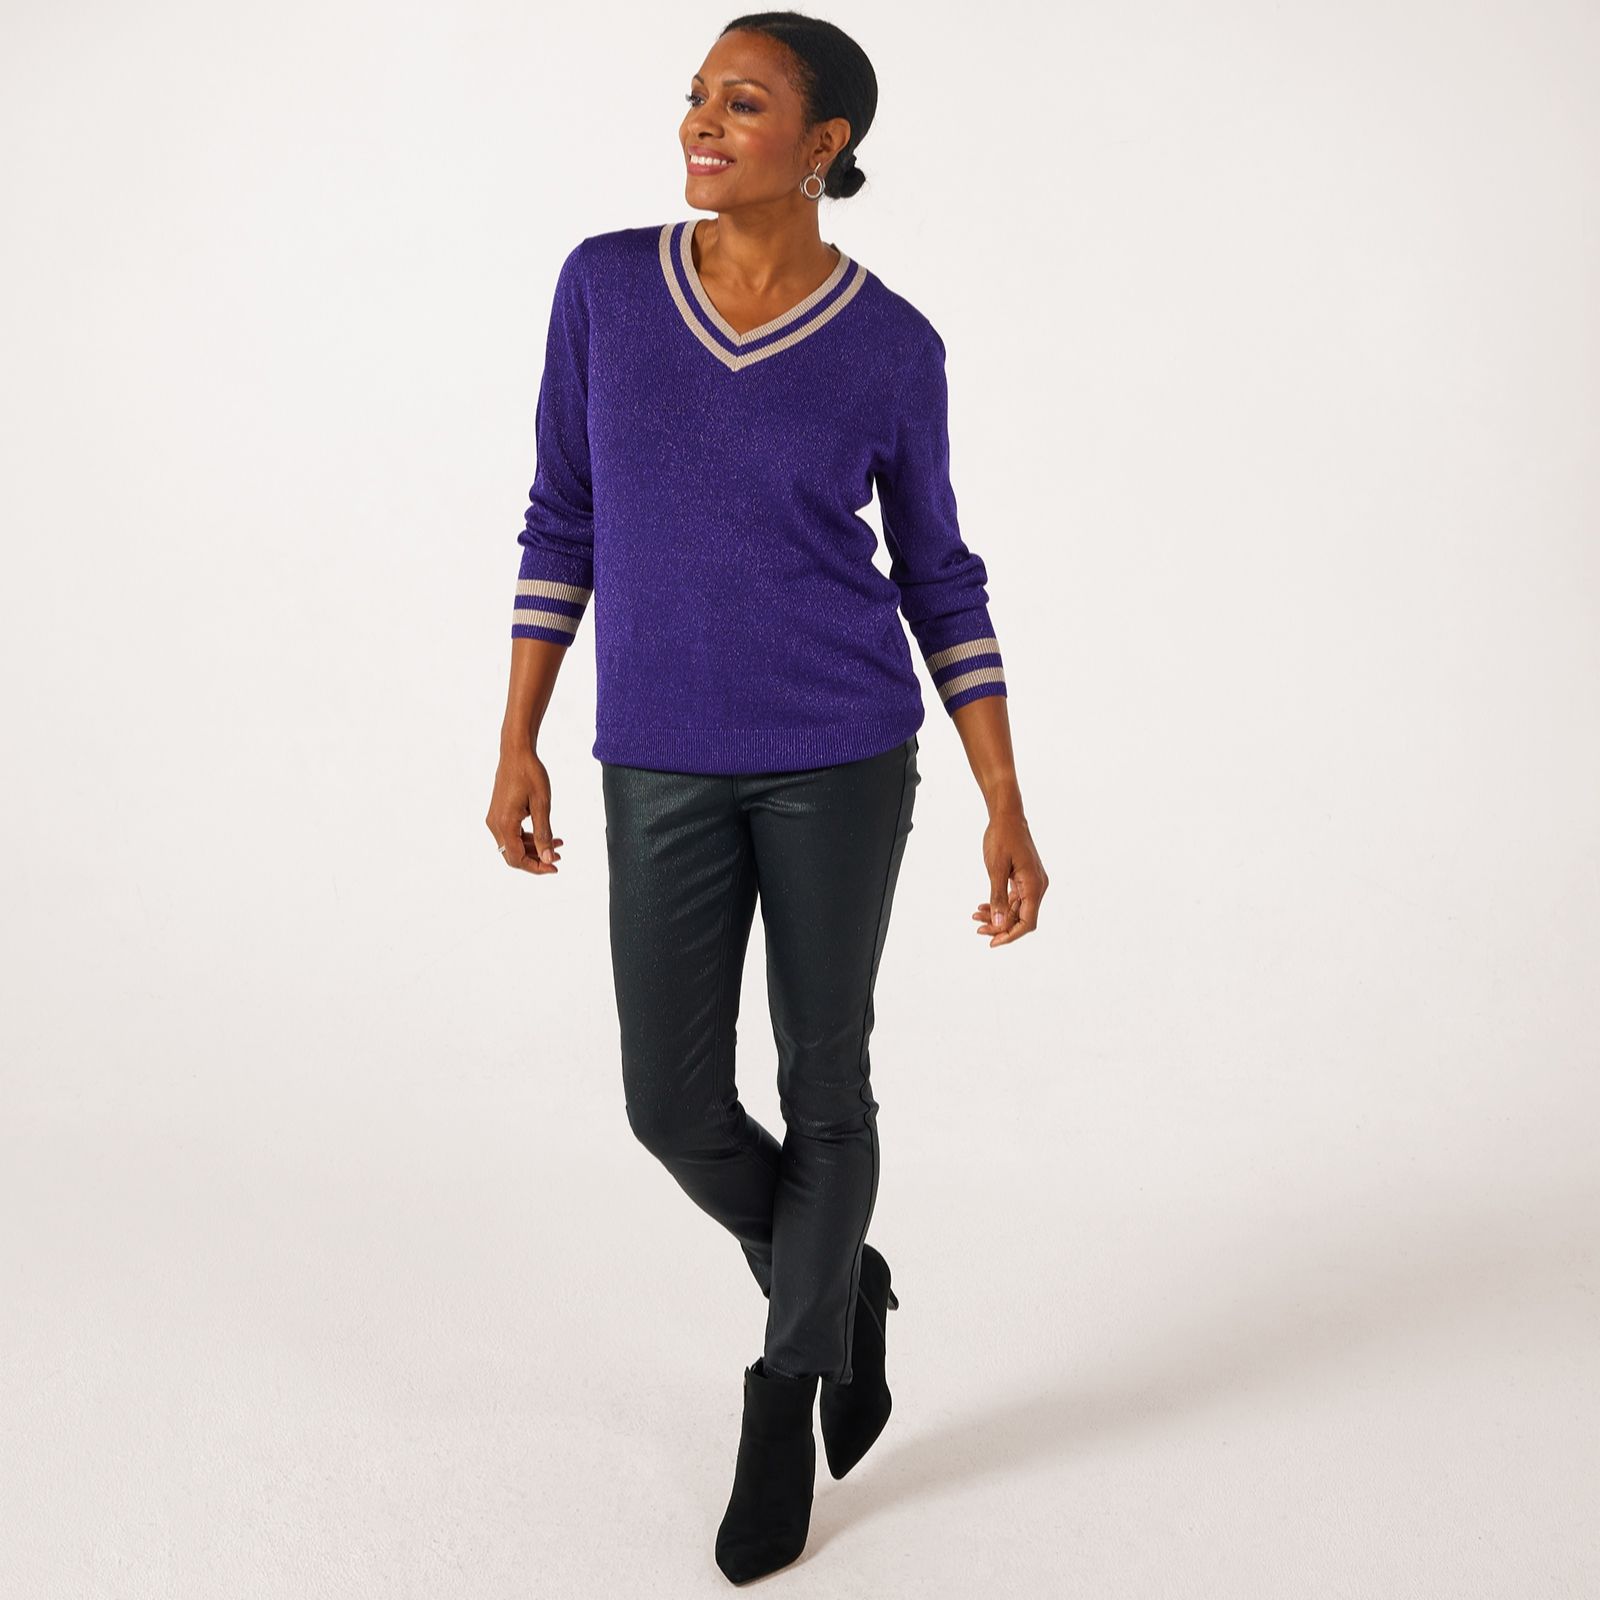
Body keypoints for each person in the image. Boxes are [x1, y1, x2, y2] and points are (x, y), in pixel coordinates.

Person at [486, 12, 1049, 1585]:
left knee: (826, 1087)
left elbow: (940, 576)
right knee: (669, 1105)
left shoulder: (892, 346)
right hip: (657, 752)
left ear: (826, 146)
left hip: (842, 754)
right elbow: (561, 515)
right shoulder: (606, 288)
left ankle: (785, 1387)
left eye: (743, 103)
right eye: (696, 96)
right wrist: (520, 733)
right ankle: (842, 1286)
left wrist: (1005, 797)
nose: (701, 121)